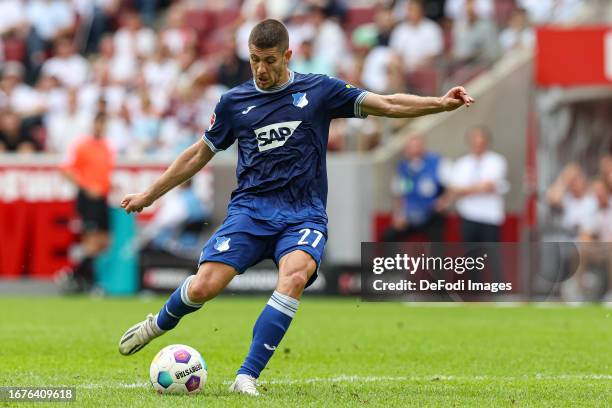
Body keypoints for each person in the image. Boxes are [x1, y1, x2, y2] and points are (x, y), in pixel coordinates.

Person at [116, 19, 475, 396]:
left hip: (303, 214)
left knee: (294, 277)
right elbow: (196, 155)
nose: (261, 69)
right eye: (254, 60)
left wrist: (439, 103)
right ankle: (158, 323)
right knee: (204, 286)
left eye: (269, 60)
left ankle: (246, 376)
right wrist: (149, 194)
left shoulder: (319, 90)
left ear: (288, 54)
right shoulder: (234, 103)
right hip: (250, 211)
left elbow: (385, 103)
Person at [59, 113, 114, 292]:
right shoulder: (82, 145)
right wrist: (86, 187)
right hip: (88, 199)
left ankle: (73, 274)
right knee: (90, 240)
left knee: (105, 242)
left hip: (102, 199)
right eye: (98, 123)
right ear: (93, 125)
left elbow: (102, 173)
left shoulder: (107, 147)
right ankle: (89, 282)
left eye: (103, 124)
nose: (100, 127)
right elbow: (65, 169)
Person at [382, 135, 450, 242]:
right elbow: (398, 194)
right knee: (389, 236)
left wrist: (444, 201)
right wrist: (398, 216)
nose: (414, 150)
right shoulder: (402, 167)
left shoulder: (437, 162)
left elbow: (452, 186)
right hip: (410, 215)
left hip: (431, 215)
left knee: (436, 239)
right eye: (411, 147)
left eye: (417, 146)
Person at [449, 126, 508, 242]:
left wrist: (464, 190)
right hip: (468, 215)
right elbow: (454, 189)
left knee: (491, 256)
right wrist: (477, 188)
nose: (478, 142)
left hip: (490, 217)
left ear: (487, 141)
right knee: (471, 256)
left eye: (481, 139)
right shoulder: (462, 163)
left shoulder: (497, 161)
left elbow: (488, 186)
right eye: (474, 139)